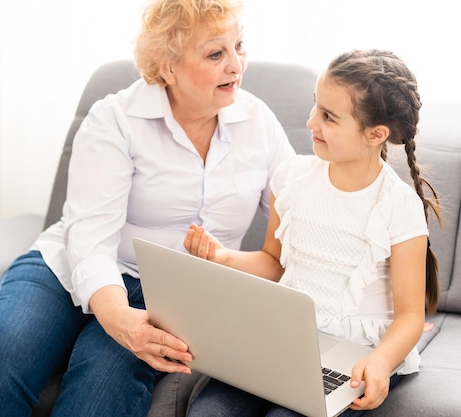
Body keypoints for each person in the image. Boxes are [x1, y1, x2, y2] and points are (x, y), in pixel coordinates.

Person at [0, 0, 296, 416]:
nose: (236, 66)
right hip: (65, 266)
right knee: (3, 357)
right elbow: (89, 240)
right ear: (167, 67)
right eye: (215, 54)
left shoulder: (259, 125)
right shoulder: (115, 119)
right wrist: (117, 316)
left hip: (168, 292)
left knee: (100, 390)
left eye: (239, 46)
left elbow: (298, 223)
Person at [184, 49, 442, 417]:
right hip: (286, 338)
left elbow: (409, 316)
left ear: (375, 134)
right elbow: (274, 263)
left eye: (328, 117)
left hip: (355, 351)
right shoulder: (291, 178)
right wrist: (222, 257)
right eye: (314, 107)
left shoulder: (397, 206)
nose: (310, 123)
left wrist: (382, 362)